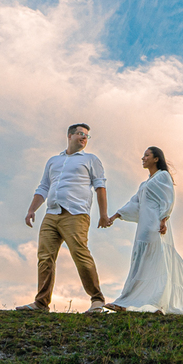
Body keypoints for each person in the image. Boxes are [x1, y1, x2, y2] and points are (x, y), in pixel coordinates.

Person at [18, 123, 110, 314]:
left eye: (86, 136)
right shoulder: (53, 161)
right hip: (52, 214)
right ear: (69, 136)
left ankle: (97, 300)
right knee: (44, 257)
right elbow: (43, 187)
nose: (84, 138)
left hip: (76, 214)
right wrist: (31, 210)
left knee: (80, 254)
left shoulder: (91, 159)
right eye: (80, 134)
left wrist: (103, 214)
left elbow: (100, 186)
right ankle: (41, 303)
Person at [102, 146, 183, 314]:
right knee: (141, 262)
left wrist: (163, 219)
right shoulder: (145, 184)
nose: (143, 158)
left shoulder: (163, 177)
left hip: (155, 225)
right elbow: (135, 203)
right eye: (143, 155)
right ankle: (129, 300)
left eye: (147, 155)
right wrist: (115, 216)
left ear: (156, 159)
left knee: (156, 260)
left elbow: (168, 198)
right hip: (143, 227)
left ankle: (156, 302)